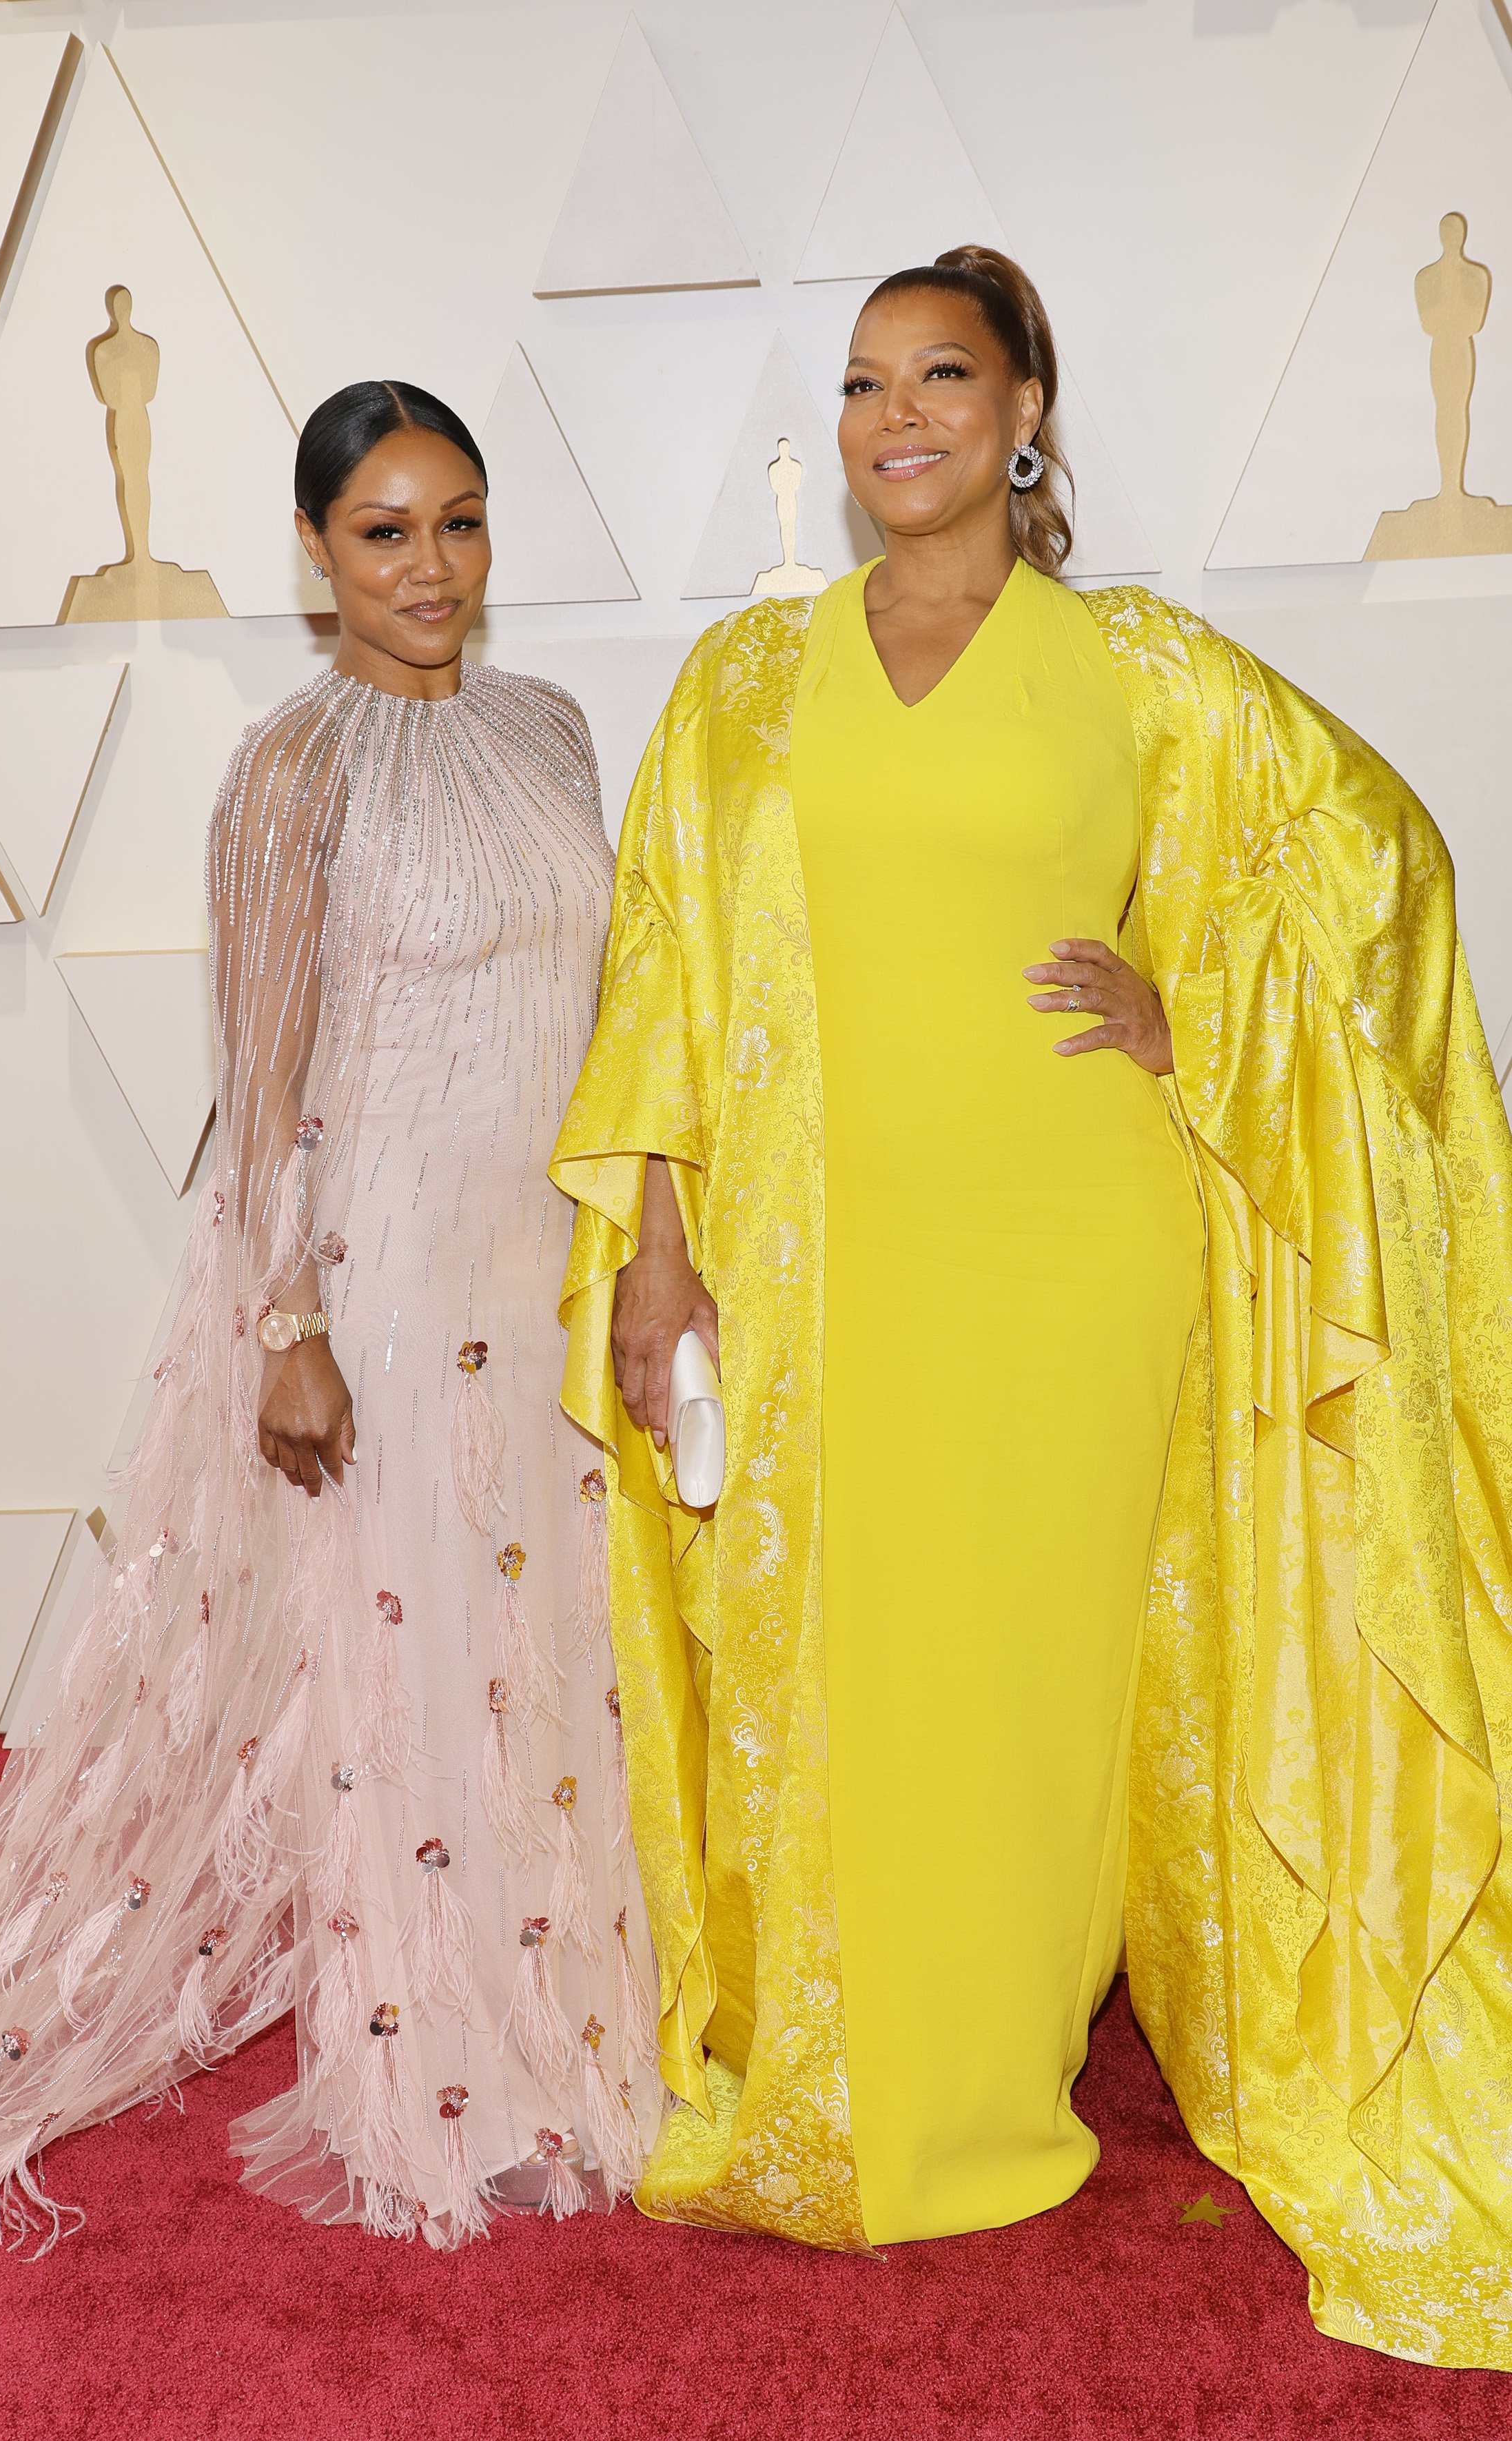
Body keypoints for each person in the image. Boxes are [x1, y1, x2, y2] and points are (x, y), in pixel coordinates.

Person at [552, 247, 1512, 2367]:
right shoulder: (742, 683)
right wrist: (658, 1253)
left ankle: (987, 2096)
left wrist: (1212, 1020)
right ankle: (850, 2074)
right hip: (817, 1271)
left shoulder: (1144, 672)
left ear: (1027, 409)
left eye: (947, 378)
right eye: (870, 383)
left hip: (1077, 1258)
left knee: (1033, 1679)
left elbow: (1377, 885)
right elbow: (667, 1001)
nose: (903, 417)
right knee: (853, 1658)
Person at [0, 380, 660, 2254]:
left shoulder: (553, 731)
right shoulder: (289, 772)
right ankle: (442, 2069)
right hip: (384, 1272)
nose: (432, 567)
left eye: (460, 522)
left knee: (551, 1664)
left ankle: (576, 2009)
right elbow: (266, 1072)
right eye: (386, 531)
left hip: (544, 1259)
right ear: (316, 556)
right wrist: (284, 1321)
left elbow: (612, 1011)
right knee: (411, 1676)